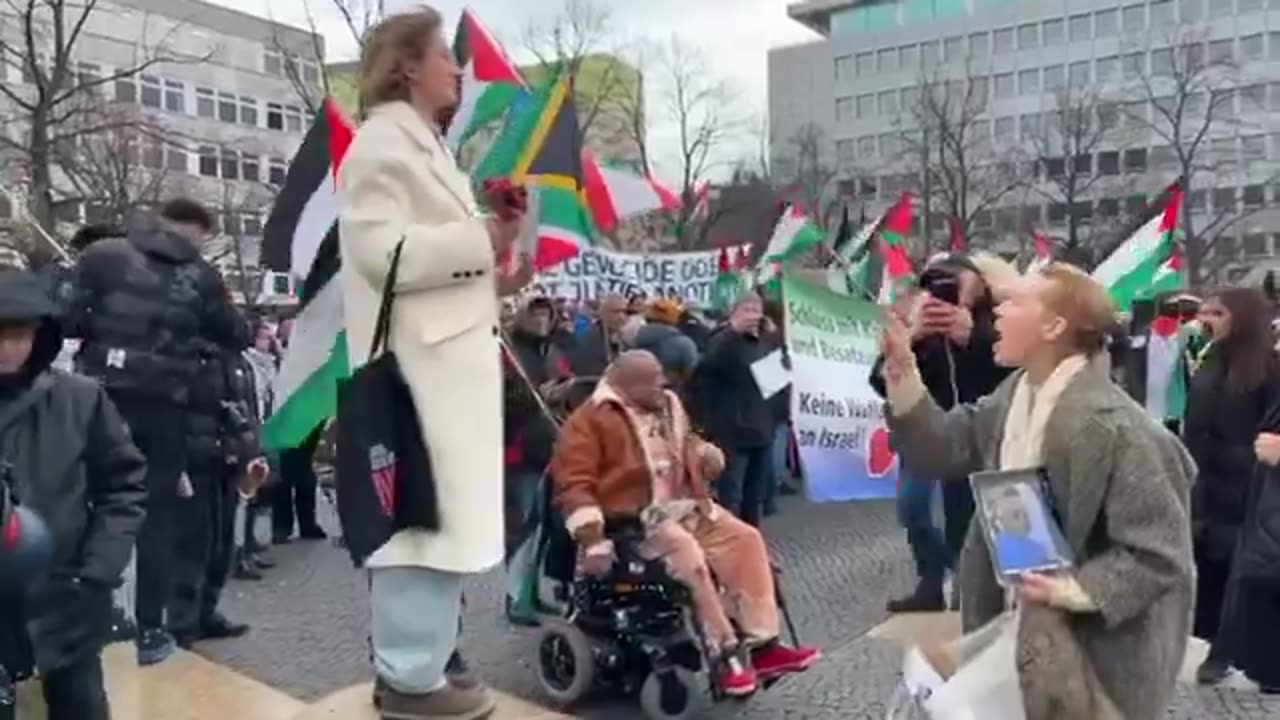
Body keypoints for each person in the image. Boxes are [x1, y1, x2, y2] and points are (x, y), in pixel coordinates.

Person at [878, 262, 1194, 719]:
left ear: (1054, 325)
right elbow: (945, 446)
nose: (997, 313)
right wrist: (903, 373)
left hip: (1087, 655)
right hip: (1014, 627)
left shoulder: (1122, 428)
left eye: (1013, 302)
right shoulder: (1016, 394)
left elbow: (1160, 554)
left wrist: (1072, 591)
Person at [339, 7, 531, 718]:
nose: (457, 68)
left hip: (444, 375)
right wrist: (480, 238)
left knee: (438, 527)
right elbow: (380, 257)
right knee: (417, 527)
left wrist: (500, 248)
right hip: (417, 380)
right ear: (408, 65)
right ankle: (408, 677)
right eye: (445, 55)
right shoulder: (378, 148)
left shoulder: (424, 147)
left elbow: (456, 271)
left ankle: (425, 664)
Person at [553, 351, 820, 697]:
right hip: (635, 521)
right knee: (688, 556)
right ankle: (724, 653)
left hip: (685, 508)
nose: (662, 384)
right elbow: (575, 483)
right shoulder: (591, 421)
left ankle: (763, 644)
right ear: (626, 387)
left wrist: (703, 453)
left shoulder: (668, 405)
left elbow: (681, 445)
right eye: (652, 380)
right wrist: (593, 539)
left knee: (746, 539)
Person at [66, 197, 250, 666]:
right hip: (164, 407)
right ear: (195, 231)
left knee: (87, 505)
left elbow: (67, 316)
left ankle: (88, 616)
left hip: (99, 397)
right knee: (158, 519)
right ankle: (150, 630)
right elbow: (237, 334)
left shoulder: (102, 255)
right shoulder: (202, 276)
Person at [0, 267, 147, 720]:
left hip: (67, 601)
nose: (9, 349)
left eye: (20, 334)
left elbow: (123, 484)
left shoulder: (80, 399)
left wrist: (98, 571)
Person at [871, 253, 1012, 612]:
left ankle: (977, 593)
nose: (944, 292)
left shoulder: (995, 319)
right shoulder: (923, 327)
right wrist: (912, 339)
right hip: (928, 433)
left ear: (976, 281)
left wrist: (972, 336)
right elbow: (879, 380)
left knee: (974, 519)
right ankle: (936, 579)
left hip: (981, 437)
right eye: (934, 283)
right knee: (913, 508)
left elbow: (1012, 369)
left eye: (953, 280)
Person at [1182, 288, 1279, 685]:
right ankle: (1212, 645)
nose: (1207, 319)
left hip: (1249, 487)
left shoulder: (1269, 367)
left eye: (1218, 312)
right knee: (1212, 567)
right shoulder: (1209, 359)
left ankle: (1229, 653)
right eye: (1205, 311)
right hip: (1206, 481)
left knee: (1245, 574)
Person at [693, 292, 774, 527]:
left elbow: (777, 380)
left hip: (761, 427)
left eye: (756, 310)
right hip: (732, 430)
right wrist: (733, 332)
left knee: (754, 497)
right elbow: (706, 368)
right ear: (734, 313)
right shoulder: (721, 339)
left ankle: (753, 548)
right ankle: (727, 544)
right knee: (731, 495)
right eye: (746, 310)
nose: (752, 316)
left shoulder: (764, 341)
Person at [570, 293, 628, 376]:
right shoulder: (589, 339)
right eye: (616, 312)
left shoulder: (623, 339)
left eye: (624, 312)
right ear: (602, 313)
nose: (621, 317)